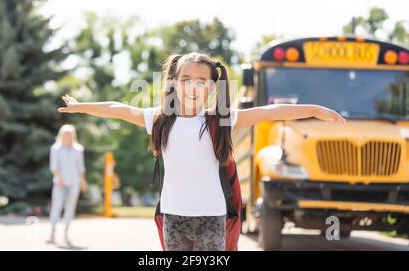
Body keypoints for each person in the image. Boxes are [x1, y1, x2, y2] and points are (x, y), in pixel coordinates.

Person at [57, 52, 345, 251]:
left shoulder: (222, 120)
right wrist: (83, 106)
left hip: (212, 217)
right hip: (173, 217)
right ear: (174, 83)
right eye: (186, 80)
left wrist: (314, 110)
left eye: (201, 81)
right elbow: (119, 110)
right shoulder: (159, 119)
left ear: (211, 87)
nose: (193, 87)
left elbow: (270, 111)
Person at [47, 124, 88, 247]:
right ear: (61, 134)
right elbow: (54, 166)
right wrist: (59, 179)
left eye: (70, 134)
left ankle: (66, 234)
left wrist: (83, 181)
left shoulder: (78, 149)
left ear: (73, 135)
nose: (67, 136)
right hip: (60, 183)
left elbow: (80, 168)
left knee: (70, 209)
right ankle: (52, 234)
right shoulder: (56, 149)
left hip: (74, 183)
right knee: (57, 208)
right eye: (65, 133)